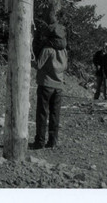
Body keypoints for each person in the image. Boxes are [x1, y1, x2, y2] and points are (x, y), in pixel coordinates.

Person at [32, 13, 68, 150]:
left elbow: (38, 65)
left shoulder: (48, 49)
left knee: (42, 114)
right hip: (59, 86)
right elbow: (65, 67)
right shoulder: (64, 50)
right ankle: (52, 141)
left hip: (46, 84)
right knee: (55, 114)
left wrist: (31, 58)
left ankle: (39, 142)